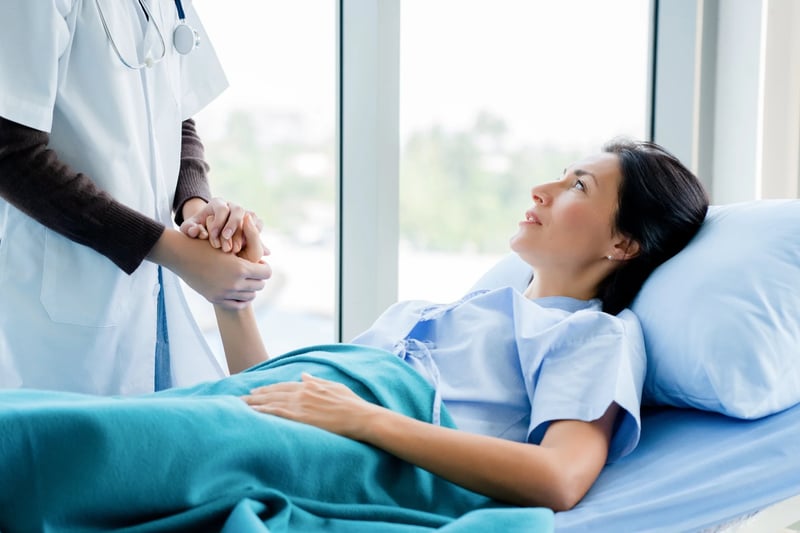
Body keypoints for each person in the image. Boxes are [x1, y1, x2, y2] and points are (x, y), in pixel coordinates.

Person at [217, 138, 710, 511]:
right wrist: (232, 303)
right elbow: (277, 397)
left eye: (577, 186)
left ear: (624, 244)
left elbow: (559, 476)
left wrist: (367, 419)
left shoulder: (591, 335)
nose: (540, 190)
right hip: (264, 428)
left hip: (323, 460)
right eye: (561, 177)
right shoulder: (426, 315)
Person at [0, 1, 272, 395]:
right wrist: (175, 251)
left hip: (153, 294)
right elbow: (11, 153)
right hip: (66, 313)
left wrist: (197, 212)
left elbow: (177, 115)